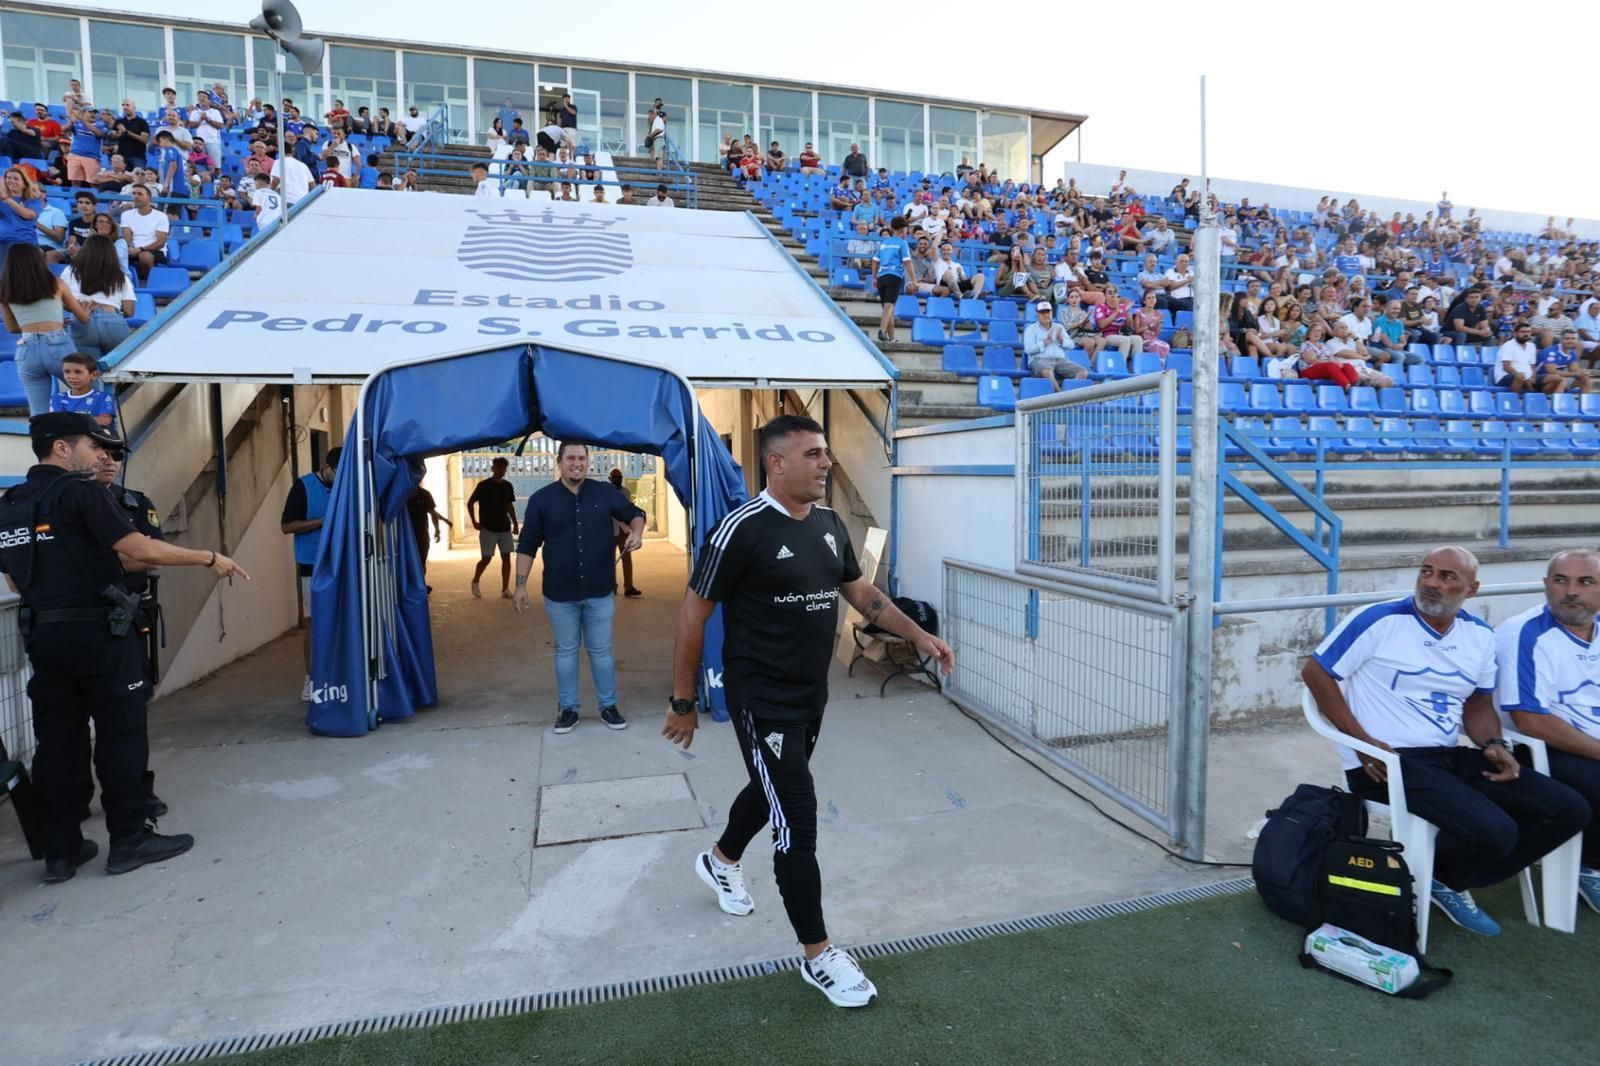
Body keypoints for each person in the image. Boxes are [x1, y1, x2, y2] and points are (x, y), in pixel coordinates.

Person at [662, 414, 953, 1008]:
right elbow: (693, 615)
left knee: (772, 787)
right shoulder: (738, 530)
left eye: (826, 452)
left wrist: (919, 635)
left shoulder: (827, 523)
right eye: (814, 454)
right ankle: (819, 957)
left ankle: (719, 861)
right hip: (760, 698)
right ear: (777, 463)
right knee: (797, 814)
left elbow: (862, 594)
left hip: (809, 695)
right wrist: (683, 701)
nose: (826, 463)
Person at [0, 413, 248, 883]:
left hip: (44, 637)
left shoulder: (9, 504)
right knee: (121, 735)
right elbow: (141, 549)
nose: (102, 456)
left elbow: (15, 576)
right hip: (99, 635)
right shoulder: (81, 493)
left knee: (56, 743)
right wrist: (208, 557)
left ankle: (61, 851)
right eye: (92, 446)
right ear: (61, 449)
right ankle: (131, 839)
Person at [1302, 545, 1590, 936]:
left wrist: (1494, 744)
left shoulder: (1478, 635)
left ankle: (1441, 877)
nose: (1432, 583)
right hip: (1386, 763)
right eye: (1427, 572)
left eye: (1447, 576)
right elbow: (1317, 674)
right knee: (1497, 831)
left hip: (1447, 757)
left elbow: (1477, 702)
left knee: (1567, 808)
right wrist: (1361, 742)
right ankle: (1439, 878)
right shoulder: (1380, 620)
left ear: (1472, 589)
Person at [511, 442, 645, 733]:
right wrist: (520, 585)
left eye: (582, 458)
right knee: (566, 653)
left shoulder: (604, 492)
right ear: (558, 462)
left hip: (600, 591)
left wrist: (636, 532)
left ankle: (608, 706)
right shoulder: (541, 500)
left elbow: (635, 512)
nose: (577, 463)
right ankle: (568, 709)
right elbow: (527, 544)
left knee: (602, 652)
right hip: (560, 594)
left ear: (588, 462)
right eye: (571, 458)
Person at [1495, 548, 1600, 914]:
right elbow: (1530, 720)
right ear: (1546, 586)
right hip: (1541, 749)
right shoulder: (1525, 634)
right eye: (1561, 581)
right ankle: (1590, 865)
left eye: (1585, 582)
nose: (1571, 591)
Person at [280, 446, 341, 702]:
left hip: (341, 562)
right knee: (316, 622)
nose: (340, 479)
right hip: (312, 565)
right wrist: (322, 521)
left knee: (343, 620)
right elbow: (286, 526)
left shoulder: (346, 486)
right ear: (327, 468)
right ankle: (310, 680)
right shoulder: (303, 487)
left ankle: (340, 677)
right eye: (337, 474)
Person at [2, 242, 91, 415]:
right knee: (92, 392)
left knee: (39, 413)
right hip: (57, 345)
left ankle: (42, 442)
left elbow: (12, 328)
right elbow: (83, 317)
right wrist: (82, 311)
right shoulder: (56, 283)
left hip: (26, 349)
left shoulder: (5, 289)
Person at [62, 234, 134, 361]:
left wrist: (75, 307)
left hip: (81, 321)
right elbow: (129, 311)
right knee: (118, 371)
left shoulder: (70, 271)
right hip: (113, 320)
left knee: (88, 374)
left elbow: (60, 300)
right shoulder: (120, 276)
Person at [468, 456, 519, 599]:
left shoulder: (507, 486)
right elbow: (470, 503)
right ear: (493, 468)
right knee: (486, 558)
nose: (501, 470)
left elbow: (510, 505)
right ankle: (476, 580)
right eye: (498, 467)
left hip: (504, 527)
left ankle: (505, 589)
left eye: (503, 468)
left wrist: (515, 523)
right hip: (487, 528)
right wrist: (474, 521)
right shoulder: (483, 485)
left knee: (507, 558)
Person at [1023, 302, 1086, 390]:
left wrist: (1061, 341)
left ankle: (1069, 396)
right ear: (1037, 314)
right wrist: (1045, 342)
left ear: (1052, 313)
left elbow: (1071, 346)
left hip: (1060, 360)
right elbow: (1028, 350)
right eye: (1042, 312)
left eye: (1048, 312)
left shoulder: (1059, 327)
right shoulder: (1031, 329)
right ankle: (1060, 396)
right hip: (1039, 360)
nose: (1046, 315)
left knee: (1083, 372)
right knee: (1047, 373)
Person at [871, 215, 913, 344]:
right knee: (889, 305)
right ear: (903, 229)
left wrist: (874, 277)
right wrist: (914, 280)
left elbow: (874, 261)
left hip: (881, 277)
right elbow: (907, 262)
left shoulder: (884, 243)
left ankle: (892, 338)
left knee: (888, 309)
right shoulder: (902, 243)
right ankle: (882, 330)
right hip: (894, 276)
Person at [119, 185, 170, 283]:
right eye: (133, 194)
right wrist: (130, 248)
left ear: (149, 198)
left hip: (155, 250)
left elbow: (160, 242)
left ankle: (150, 283)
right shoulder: (126, 215)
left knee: (144, 256)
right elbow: (127, 238)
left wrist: (140, 249)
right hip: (133, 250)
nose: (136, 196)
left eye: (140, 194)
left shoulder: (161, 216)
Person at [405, 475, 451, 581]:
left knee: (421, 561)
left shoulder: (424, 494)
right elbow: (432, 513)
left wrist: (439, 528)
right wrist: (439, 528)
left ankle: (420, 584)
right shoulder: (404, 494)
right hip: (406, 535)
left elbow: (432, 512)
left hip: (421, 534)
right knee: (410, 562)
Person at [49, 353, 114, 426]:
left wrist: (69, 420)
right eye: (67, 372)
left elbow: (104, 421)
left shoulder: (103, 397)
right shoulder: (58, 398)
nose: (72, 376)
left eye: (78, 372)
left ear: (94, 375)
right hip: (66, 436)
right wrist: (89, 420)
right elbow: (56, 423)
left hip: (93, 436)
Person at [609, 468, 642, 598]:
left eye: (619, 477)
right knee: (610, 561)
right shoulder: (607, 493)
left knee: (626, 560)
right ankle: (611, 587)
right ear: (610, 479)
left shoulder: (626, 492)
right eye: (615, 477)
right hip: (610, 531)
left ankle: (629, 587)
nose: (618, 480)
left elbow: (627, 510)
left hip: (623, 531)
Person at [1496, 321, 1538, 396]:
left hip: (1527, 378)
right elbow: (1506, 367)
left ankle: (1537, 400)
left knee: (1554, 378)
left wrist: (1532, 380)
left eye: (1528, 332)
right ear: (1515, 333)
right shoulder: (1508, 345)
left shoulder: (1532, 346)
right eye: (1523, 332)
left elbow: (1533, 366)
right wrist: (1523, 378)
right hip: (1506, 377)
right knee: (1520, 376)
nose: (1526, 334)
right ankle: (1514, 401)